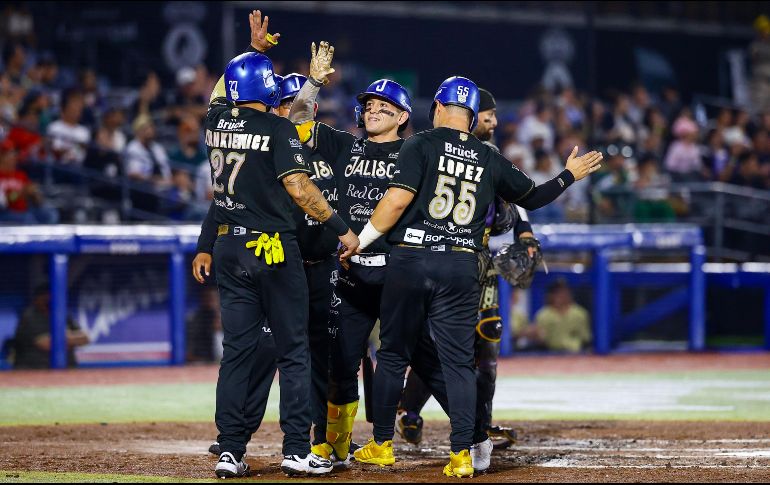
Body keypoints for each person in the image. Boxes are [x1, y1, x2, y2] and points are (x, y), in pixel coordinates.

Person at [349, 76, 601, 477]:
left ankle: (381, 445)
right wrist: (568, 175)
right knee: (459, 362)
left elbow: (395, 202)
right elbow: (533, 197)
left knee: (394, 354)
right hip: (463, 264)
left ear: (437, 107)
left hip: (412, 259)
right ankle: (461, 455)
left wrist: (359, 241)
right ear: (471, 116)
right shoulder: (487, 156)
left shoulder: (420, 144)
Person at [198, 40, 359, 479]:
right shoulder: (278, 129)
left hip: (231, 249)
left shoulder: (215, 121)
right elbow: (301, 190)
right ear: (268, 89)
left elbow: (218, 94)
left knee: (236, 353)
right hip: (272, 248)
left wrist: (250, 50)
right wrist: (342, 228)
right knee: (293, 350)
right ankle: (295, 449)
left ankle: (231, 450)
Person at [394, 88, 538, 464]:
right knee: (442, 344)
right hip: (443, 257)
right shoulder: (435, 148)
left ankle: (480, 428)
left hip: (479, 261)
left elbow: (517, 195)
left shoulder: (489, 155)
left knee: (487, 340)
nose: (493, 123)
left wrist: (524, 230)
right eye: (488, 116)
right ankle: (410, 410)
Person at [287, 48, 413, 469]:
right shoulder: (344, 145)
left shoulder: (416, 154)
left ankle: (471, 438)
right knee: (340, 362)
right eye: (369, 105)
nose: (373, 110)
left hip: (398, 274)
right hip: (351, 274)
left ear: (402, 117)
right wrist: (313, 83)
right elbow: (297, 124)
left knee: (423, 358)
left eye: (384, 106)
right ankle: (335, 444)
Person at [12, 284, 89, 369]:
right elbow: (44, 343)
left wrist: (63, 339)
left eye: (51, 296)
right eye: (45, 297)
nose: (49, 299)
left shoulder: (62, 314)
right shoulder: (29, 317)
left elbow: (85, 338)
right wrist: (68, 339)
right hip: (35, 369)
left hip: (66, 368)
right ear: (36, 300)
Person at [517, 279, 592, 353]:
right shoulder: (543, 314)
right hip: (550, 353)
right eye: (557, 293)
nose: (561, 296)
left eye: (564, 292)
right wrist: (536, 335)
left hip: (576, 353)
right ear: (551, 295)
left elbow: (585, 338)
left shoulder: (579, 313)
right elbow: (540, 339)